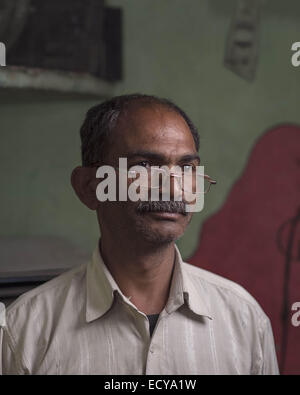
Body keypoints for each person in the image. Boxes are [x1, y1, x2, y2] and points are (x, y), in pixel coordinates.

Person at [0, 94, 279, 374]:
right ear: (88, 186)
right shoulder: (24, 332)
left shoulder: (244, 321)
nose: (173, 188)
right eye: (144, 165)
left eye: (186, 168)